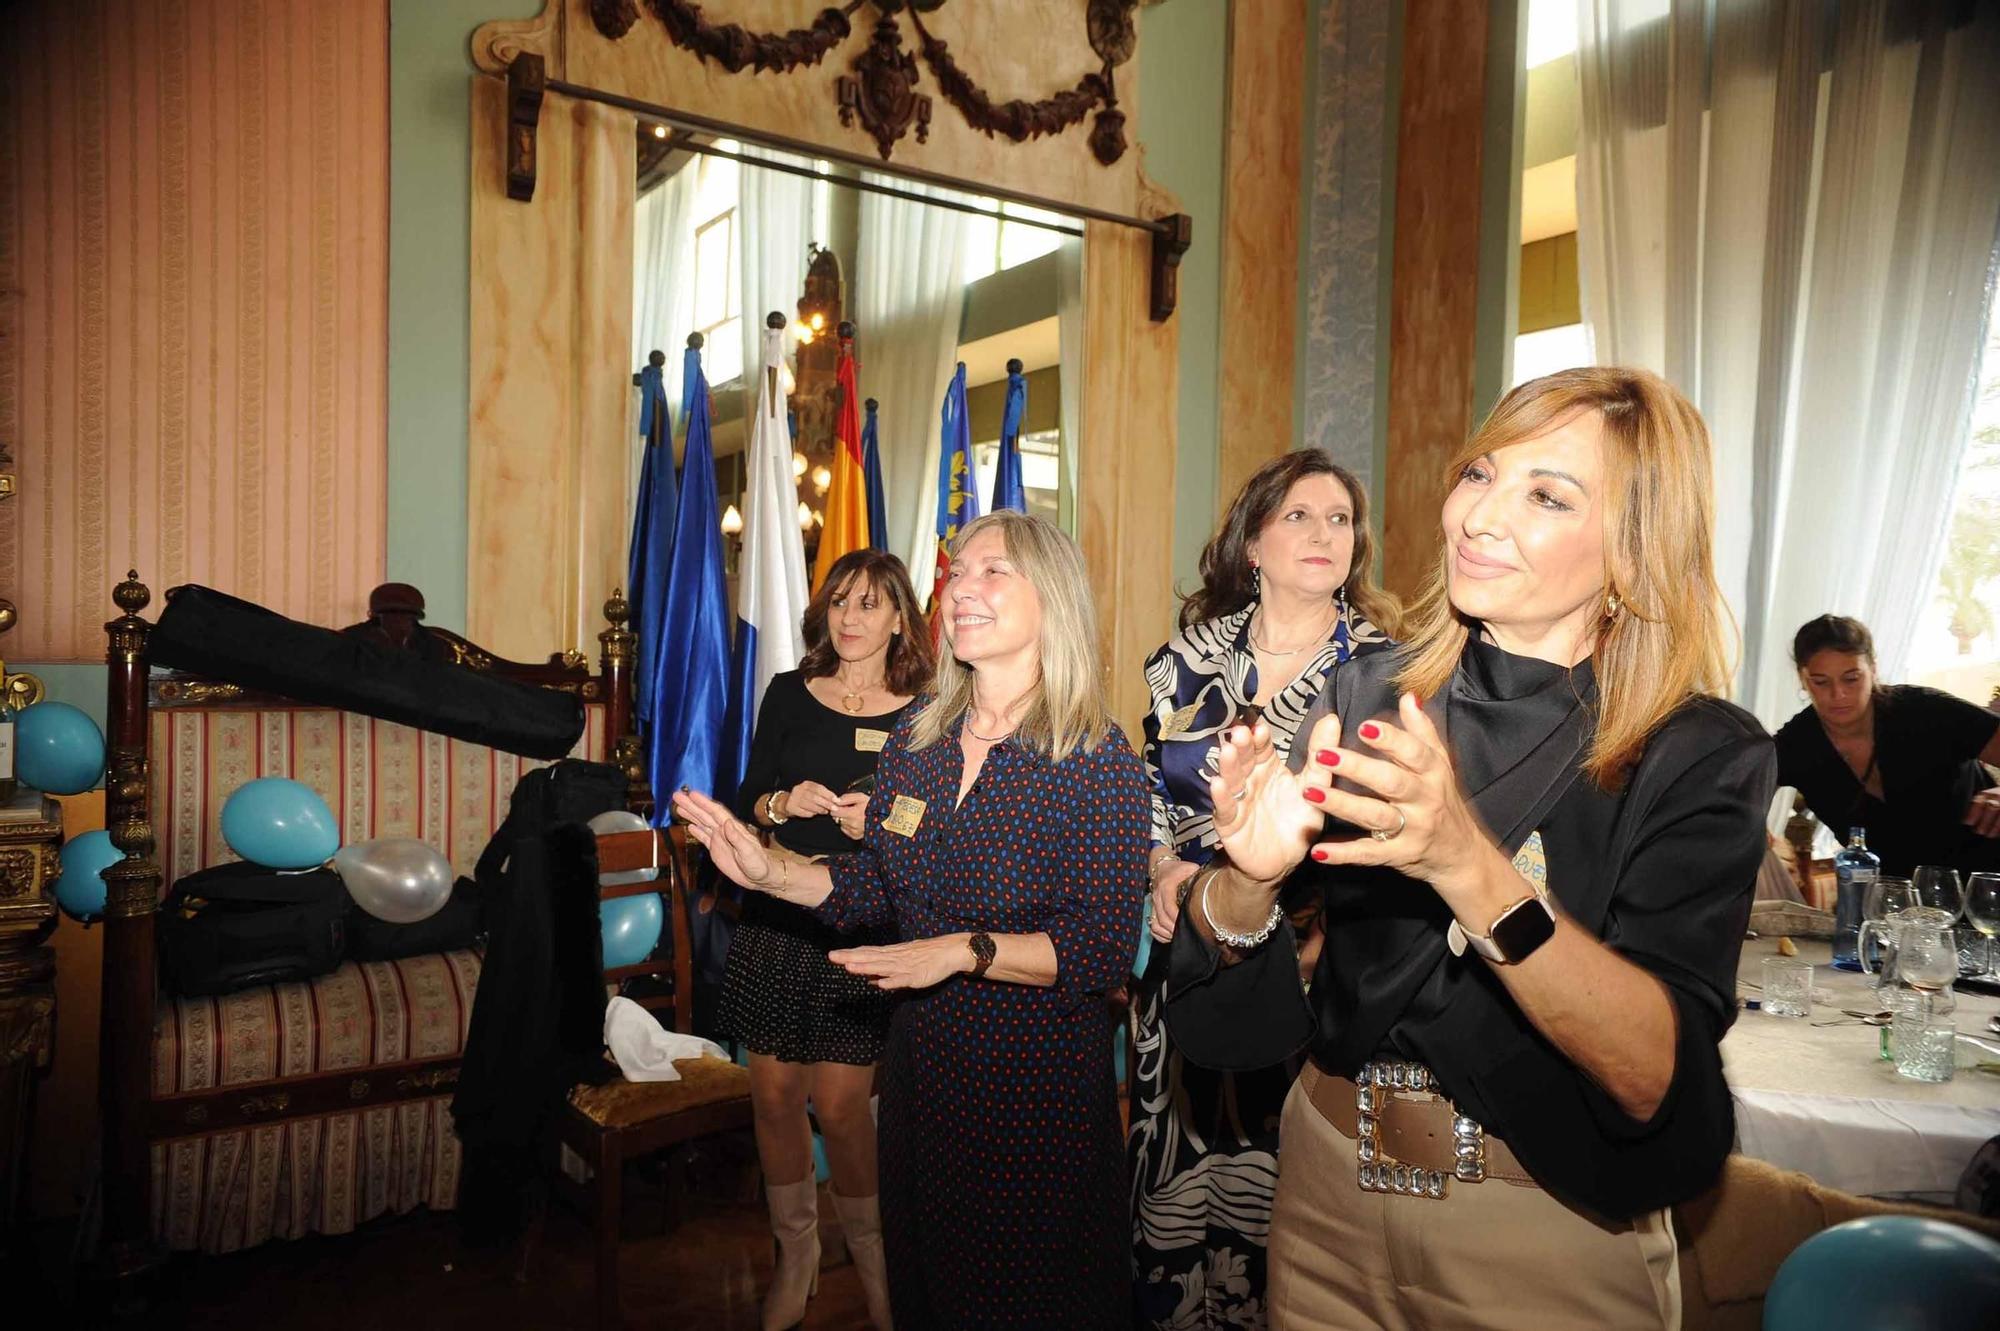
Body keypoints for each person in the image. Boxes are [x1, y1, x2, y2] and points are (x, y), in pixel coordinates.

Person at [1164, 367, 1775, 1328]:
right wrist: (1249, 879)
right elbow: (1230, 1025)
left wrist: (1463, 861)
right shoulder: (1371, 693)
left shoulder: (1697, 752)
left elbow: (1658, 1073)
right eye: (1480, 474)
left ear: (1633, 547)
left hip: (1543, 1226)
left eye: (1546, 495)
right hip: (1326, 1192)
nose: (1478, 517)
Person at [676, 511, 1147, 1329]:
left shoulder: (1096, 760)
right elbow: (880, 892)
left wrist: (964, 952)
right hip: (922, 1087)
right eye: (957, 571)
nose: (963, 586)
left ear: (1055, 596)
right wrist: (774, 870)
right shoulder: (917, 747)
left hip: (1031, 1103)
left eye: (992, 571)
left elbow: (1103, 948)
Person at [1131, 451, 1397, 1330]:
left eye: (1340, 520)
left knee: (1282, 1210)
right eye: (1300, 516)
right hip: (1185, 959)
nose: (1325, 533)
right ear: (1253, 540)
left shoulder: (1385, 671)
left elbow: (1388, 827)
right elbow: (1148, 789)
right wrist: (1166, 867)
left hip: (1314, 970)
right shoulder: (1184, 659)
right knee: (1172, 1195)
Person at [716, 549, 932, 1331]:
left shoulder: (927, 709)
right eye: (840, 601)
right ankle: (796, 1251)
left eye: (870, 604)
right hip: (781, 911)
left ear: (899, 617)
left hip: (868, 921)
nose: (850, 617)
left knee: (841, 1107)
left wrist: (877, 820)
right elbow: (749, 798)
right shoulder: (786, 692)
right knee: (772, 1093)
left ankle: (873, 1257)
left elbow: (934, 825)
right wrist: (779, 801)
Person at [1775, 613, 2000, 877]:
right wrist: (1762, 838)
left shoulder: (1926, 711)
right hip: (1895, 905)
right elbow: (1734, 801)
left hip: (1988, 885)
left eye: (1851, 678)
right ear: (1803, 679)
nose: (1838, 694)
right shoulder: (1796, 744)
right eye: (1821, 682)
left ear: (1873, 669)